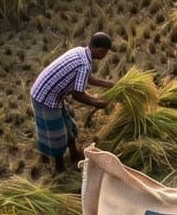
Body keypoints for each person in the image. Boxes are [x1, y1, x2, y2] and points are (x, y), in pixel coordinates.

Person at [29, 33, 114, 171]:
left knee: (68, 124)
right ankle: (59, 166)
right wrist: (97, 102)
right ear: (101, 51)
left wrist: (107, 84)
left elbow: (85, 77)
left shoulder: (80, 51)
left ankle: (74, 153)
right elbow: (78, 95)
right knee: (56, 133)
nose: (106, 55)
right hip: (44, 98)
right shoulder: (84, 64)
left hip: (53, 94)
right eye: (106, 52)